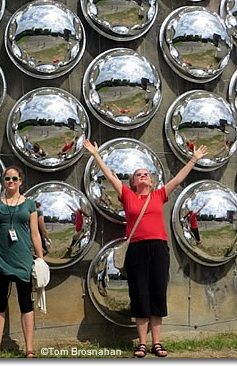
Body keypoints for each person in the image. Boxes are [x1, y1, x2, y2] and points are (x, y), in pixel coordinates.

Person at [83, 139, 208, 358]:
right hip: (136, 250)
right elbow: (111, 177)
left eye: (147, 174)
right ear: (132, 182)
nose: (144, 175)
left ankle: (156, 343)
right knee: (139, 294)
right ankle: (141, 343)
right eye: (139, 174)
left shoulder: (158, 195)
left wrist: (194, 159)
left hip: (159, 249)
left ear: (151, 181)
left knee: (157, 293)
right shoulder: (128, 197)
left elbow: (178, 178)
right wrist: (95, 155)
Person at [0, 166, 43, 358]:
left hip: (22, 259)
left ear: (21, 181)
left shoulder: (30, 205)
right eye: (7, 178)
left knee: (25, 303)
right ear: (3, 181)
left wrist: (40, 258)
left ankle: (29, 347)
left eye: (14, 178)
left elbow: (34, 233)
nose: (11, 182)